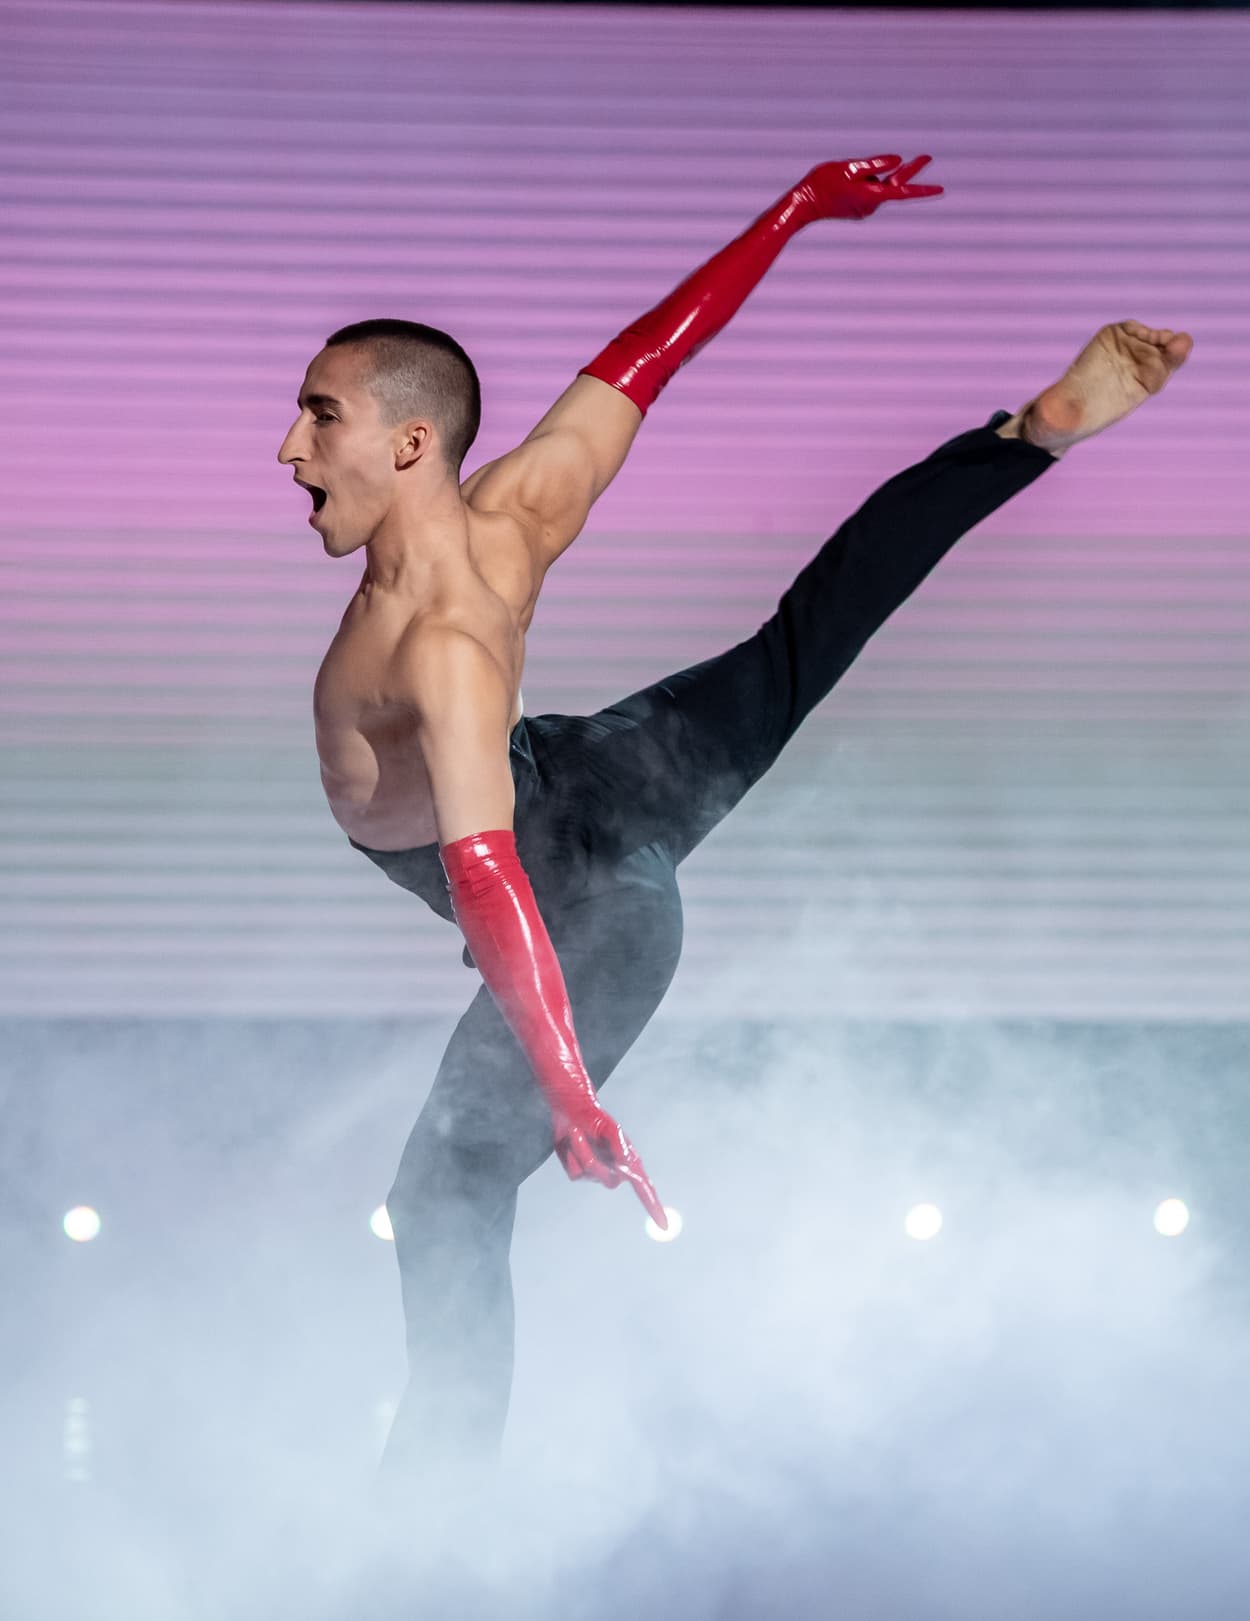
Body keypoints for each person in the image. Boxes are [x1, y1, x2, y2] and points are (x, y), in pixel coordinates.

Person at [276, 156, 1191, 1510]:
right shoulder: (511, 511)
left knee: (445, 1194)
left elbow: (489, 887)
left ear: (410, 442)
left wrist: (571, 1094)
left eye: (318, 418)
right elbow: (649, 355)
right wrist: (796, 213)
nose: (290, 451)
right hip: (587, 773)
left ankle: (427, 1522)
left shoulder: (450, 648)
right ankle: (1030, 434)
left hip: (584, 906)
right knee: (799, 645)